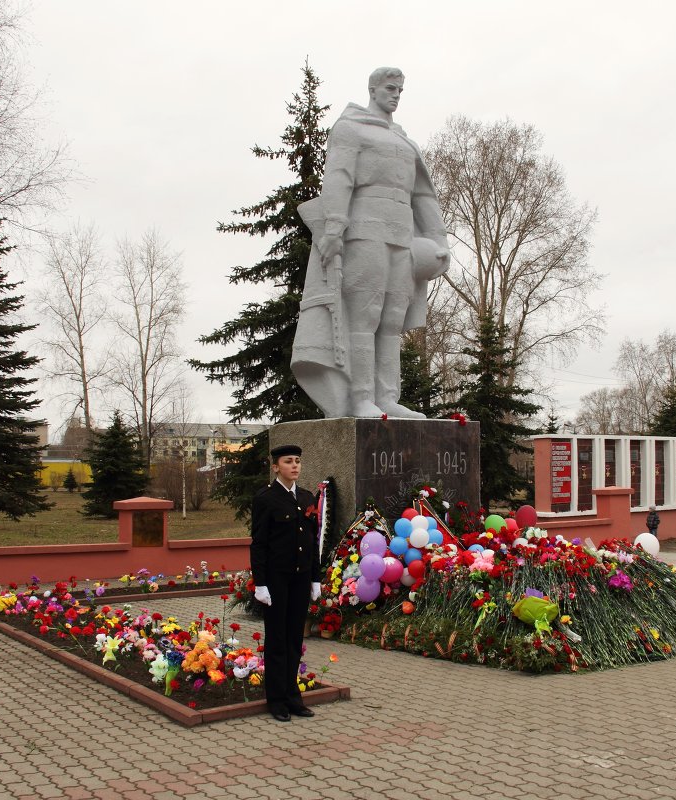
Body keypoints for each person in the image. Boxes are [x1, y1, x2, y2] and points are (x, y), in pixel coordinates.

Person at [292, 66, 450, 418]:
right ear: (373, 90)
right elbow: (339, 177)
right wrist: (333, 227)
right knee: (365, 315)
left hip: (402, 237)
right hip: (363, 231)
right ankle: (362, 397)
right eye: (390, 88)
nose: (395, 95)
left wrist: (438, 240)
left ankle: (387, 398)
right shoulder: (350, 129)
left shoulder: (405, 141)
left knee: (393, 318)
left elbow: (423, 195)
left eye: (400, 90)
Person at [250, 444, 322, 721]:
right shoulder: (266, 498)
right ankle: (277, 700)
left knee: (294, 638)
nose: (295, 466)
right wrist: (261, 583)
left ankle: (294, 697)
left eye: (298, 461)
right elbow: (259, 544)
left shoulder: (305, 498)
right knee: (277, 639)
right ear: (276, 466)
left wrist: (315, 577)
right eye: (288, 461)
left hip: (301, 578)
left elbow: (311, 542)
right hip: (277, 580)